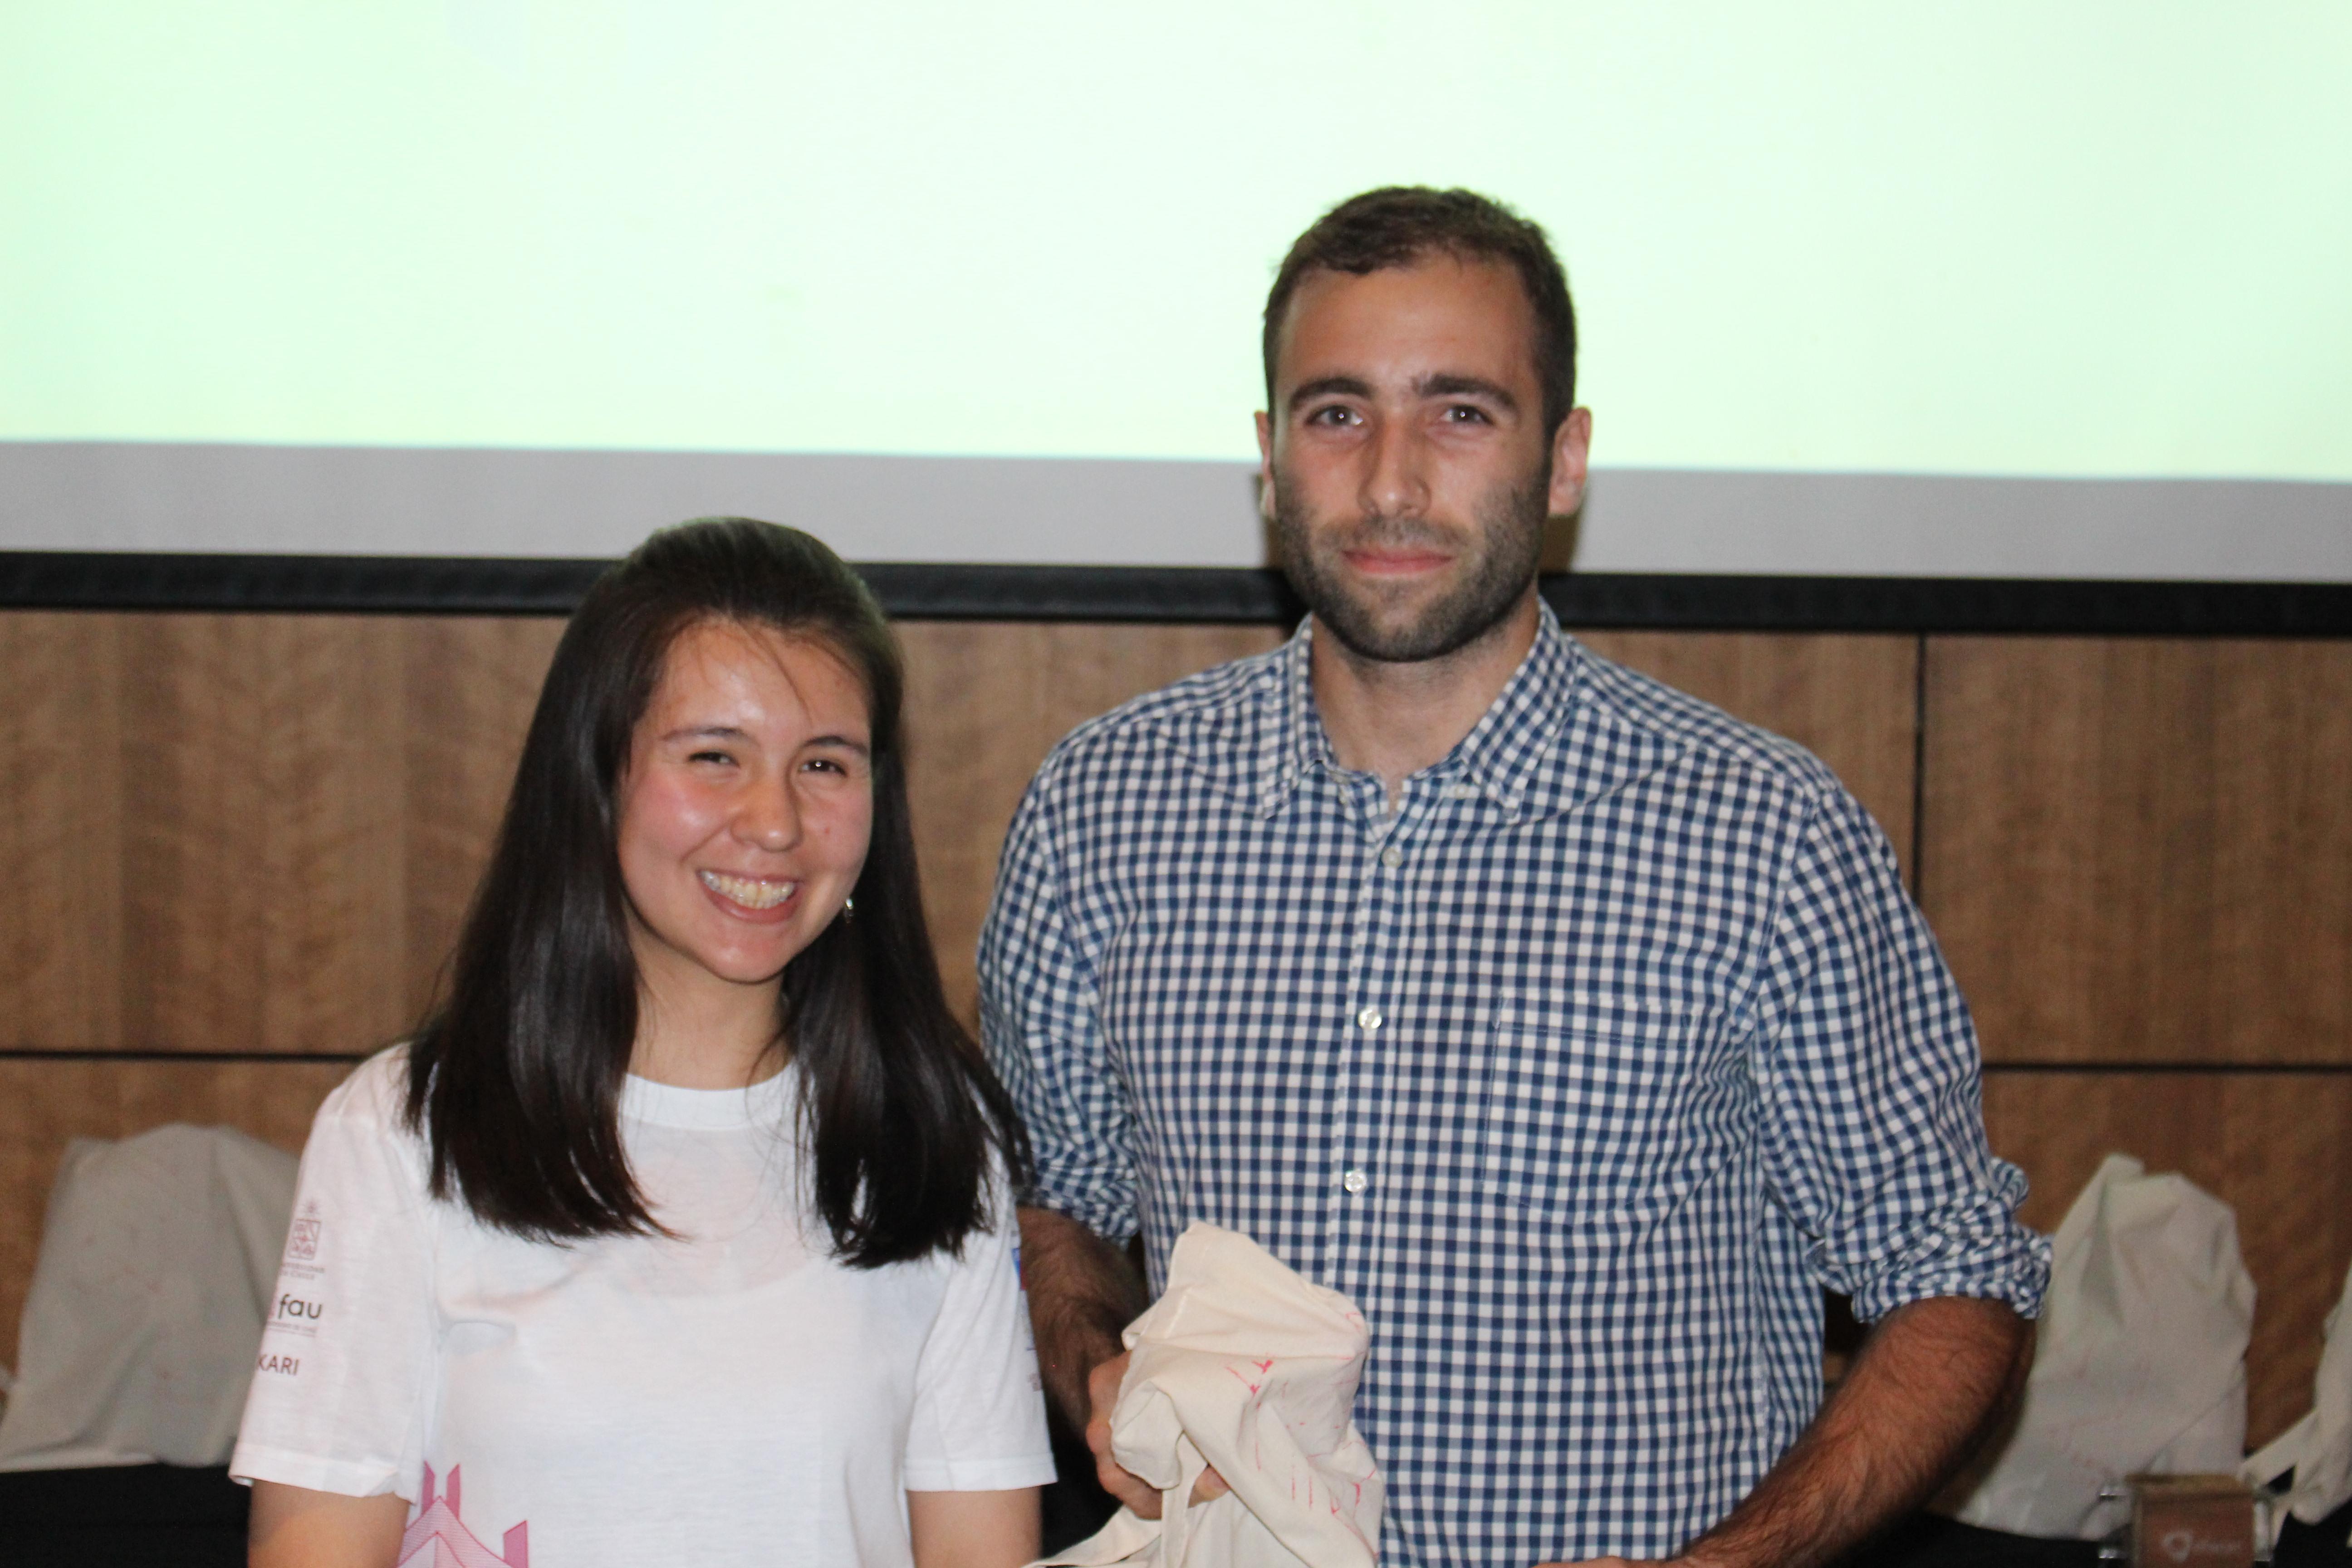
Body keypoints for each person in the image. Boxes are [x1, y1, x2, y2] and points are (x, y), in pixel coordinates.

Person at [978, 188, 2051, 1568]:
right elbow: (1052, 1200)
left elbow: (1958, 1277)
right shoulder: (1100, 811)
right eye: (1337, 414)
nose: (1391, 483)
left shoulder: (1763, 838)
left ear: (1564, 459)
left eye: (1461, 413)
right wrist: (1088, 1362)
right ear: (1268, 456)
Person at [234, 519, 1053, 1568]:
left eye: (825, 765)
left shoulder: (931, 1141)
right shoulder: (407, 1129)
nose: (774, 822)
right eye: (714, 756)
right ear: (597, 778)